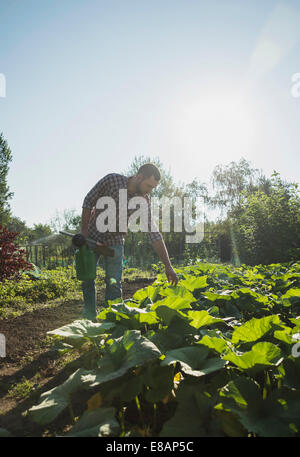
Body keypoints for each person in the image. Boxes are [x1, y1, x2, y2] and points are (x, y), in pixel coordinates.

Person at [80, 163, 178, 321]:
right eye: (148, 185)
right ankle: (90, 317)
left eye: (153, 188)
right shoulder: (112, 180)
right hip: (92, 236)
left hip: (115, 240)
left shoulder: (143, 201)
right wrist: (84, 233)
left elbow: (153, 233)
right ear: (139, 177)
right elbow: (88, 200)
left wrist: (168, 266)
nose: (150, 190)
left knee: (114, 283)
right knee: (88, 278)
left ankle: (112, 321)